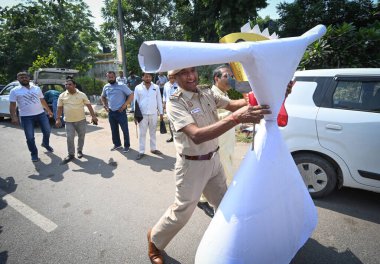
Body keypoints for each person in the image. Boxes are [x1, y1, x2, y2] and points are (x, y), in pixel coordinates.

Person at [147, 67, 271, 264]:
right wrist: (237, 118)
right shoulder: (175, 102)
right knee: (182, 212)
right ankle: (154, 240)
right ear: (174, 78)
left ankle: (228, 243)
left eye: (192, 71)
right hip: (191, 165)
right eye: (183, 73)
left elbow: (235, 104)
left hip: (214, 160)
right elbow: (197, 135)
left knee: (225, 204)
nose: (190, 76)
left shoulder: (207, 93)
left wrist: (269, 92)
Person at [197, 64, 237, 218]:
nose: (230, 80)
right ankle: (204, 202)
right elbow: (211, 119)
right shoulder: (211, 95)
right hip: (217, 144)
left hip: (227, 142)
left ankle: (214, 201)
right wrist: (236, 115)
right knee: (217, 175)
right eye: (226, 76)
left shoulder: (225, 94)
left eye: (232, 76)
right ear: (216, 78)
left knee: (224, 172)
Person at [9, 72, 54, 162]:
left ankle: (45, 143)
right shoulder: (14, 90)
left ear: (29, 78)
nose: (24, 78)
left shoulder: (36, 88)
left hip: (41, 114)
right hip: (26, 117)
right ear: (18, 79)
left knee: (47, 131)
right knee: (30, 137)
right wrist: (13, 117)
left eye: (25, 77)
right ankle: (34, 154)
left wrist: (49, 111)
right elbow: (12, 105)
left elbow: (42, 100)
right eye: (21, 77)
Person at [55, 79, 98, 163]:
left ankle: (79, 151)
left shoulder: (82, 95)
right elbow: (59, 108)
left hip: (81, 120)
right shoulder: (62, 95)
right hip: (68, 121)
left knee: (81, 136)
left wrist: (93, 116)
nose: (67, 86)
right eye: (66, 84)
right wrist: (58, 119)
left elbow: (89, 105)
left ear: (74, 85)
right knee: (69, 138)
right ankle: (71, 154)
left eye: (69, 84)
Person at [101, 71, 134, 153]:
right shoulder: (106, 87)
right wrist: (105, 105)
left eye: (112, 77)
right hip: (111, 112)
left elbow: (131, 94)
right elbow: (103, 96)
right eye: (109, 77)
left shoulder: (122, 85)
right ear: (107, 77)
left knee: (124, 129)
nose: (110, 79)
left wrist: (125, 105)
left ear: (115, 77)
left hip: (121, 111)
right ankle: (117, 144)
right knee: (114, 129)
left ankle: (127, 146)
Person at [134, 72, 164, 160]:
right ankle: (141, 151)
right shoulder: (138, 87)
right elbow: (135, 102)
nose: (148, 78)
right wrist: (135, 115)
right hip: (142, 114)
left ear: (151, 78)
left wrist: (161, 112)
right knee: (142, 133)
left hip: (153, 113)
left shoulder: (156, 87)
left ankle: (153, 149)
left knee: (153, 132)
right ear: (142, 77)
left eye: (149, 76)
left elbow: (159, 100)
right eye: (146, 76)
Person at [162, 71, 178, 143]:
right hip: (169, 105)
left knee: (178, 121)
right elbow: (164, 95)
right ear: (168, 77)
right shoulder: (166, 85)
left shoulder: (178, 84)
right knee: (170, 121)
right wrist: (164, 104)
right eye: (169, 76)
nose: (171, 78)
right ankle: (172, 136)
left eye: (172, 76)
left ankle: (179, 137)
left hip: (178, 105)